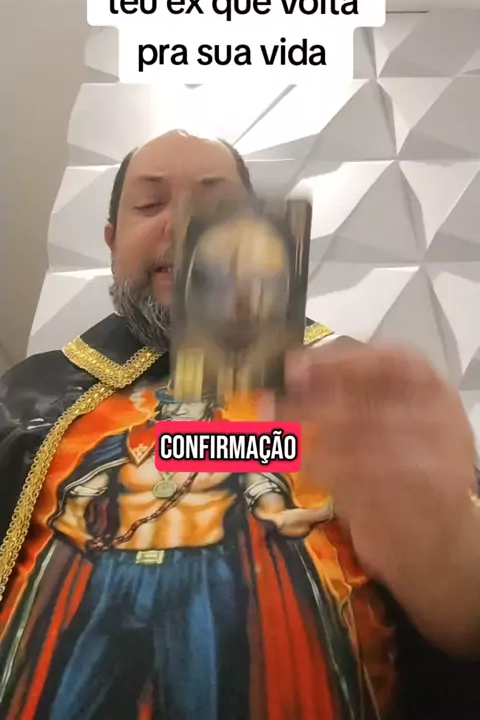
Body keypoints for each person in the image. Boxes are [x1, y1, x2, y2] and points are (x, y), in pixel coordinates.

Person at [0, 130, 478, 720]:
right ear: (111, 239)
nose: (182, 227)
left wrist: (446, 553)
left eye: (214, 205)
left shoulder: (354, 389)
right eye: (150, 204)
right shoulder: (26, 394)